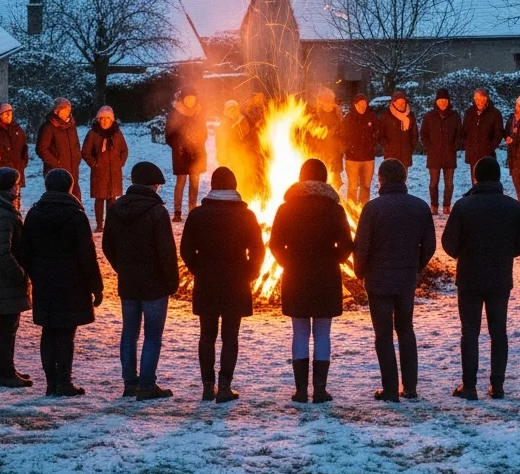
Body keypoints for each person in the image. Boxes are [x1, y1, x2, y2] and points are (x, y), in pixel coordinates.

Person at [442, 156, 520, 400]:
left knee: (470, 333)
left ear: (476, 178)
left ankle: (469, 386)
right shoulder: (513, 207)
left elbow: (448, 243)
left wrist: (463, 253)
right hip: (500, 276)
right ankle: (497, 385)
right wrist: (505, 253)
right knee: (499, 332)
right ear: (498, 178)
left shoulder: (463, 206)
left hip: (469, 276)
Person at [269, 158, 354, 404]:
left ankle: (300, 391)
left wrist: (288, 262)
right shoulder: (334, 209)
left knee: (299, 333)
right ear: (325, 179)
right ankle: (319, 390)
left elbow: (275, 243)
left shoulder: (286, 209)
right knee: (323, 333)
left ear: (301, 177)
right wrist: (334, 259)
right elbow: (346, 244)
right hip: (326, 276)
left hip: (296, 275)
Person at [353, 159, 436, 402]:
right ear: (404, 178)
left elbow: (362, 246)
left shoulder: (372, 209)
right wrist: (415, 267)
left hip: (378, 280)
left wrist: (360, 271)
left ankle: (390, 390)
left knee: (383, 335)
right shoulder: (419, 207)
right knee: (406, 329)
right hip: (405, 279)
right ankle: (410, 387)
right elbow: (429, 245)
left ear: (380, 179)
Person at [180, 166, 265, 403]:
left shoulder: (198, 215)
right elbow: (258, 249)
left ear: (213, 186)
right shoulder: (246, 216)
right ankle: (225, 387)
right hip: (236, 282)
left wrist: (198, 269)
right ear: (234, 186)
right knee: (230, 336)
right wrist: (249, 274)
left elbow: (186, 249)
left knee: (206, 335)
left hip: (206, 282)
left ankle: (208, 386)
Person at [103, 161, 180, 401]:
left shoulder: (115, 209)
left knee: (129, 333)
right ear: (153, 185)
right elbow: (166, 252)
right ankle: (147, 385)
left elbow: (107, 245)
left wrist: (122, 268)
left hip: (128, 282)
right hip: (154, 285)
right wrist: (172, 282)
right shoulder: (157, 212)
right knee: (152, 336)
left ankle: (130, 384)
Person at [23, 168, 103, 396]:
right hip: (72, 282)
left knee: (48, 331)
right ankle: (64, 382)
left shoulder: (34, 214)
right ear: (70, 187)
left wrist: (34, 274)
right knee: (66, 333)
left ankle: (51, 383)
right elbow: (87, 255)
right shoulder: (76, 216)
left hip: (43, 281)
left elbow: (25, 250)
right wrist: (96, 287)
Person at [0, 167, 33, 387]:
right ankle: (5, 373)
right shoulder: (1, 213)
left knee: (9, 326)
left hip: (2, 277)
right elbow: (3, 252)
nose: (17, 189)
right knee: (7, 327)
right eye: (15, 185)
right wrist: (20, 274)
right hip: (4, 278)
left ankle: (8, 369)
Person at [81, 105, 129, 232]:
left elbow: (124, 150)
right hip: (99, 172)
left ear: (111, 120)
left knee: (112, 198)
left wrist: (120, 163)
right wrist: (95, 164)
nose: (104, 121)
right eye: (102, 118)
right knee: (100, 197)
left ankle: (110, 223)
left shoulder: (117, 134)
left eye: (107, 118)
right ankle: (99, 225)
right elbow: (85, 152)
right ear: (98, 119)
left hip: (114, 171)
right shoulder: (93, 134)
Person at [164, 87, 208, 222]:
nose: (191, 101)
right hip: (181, 154)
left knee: (194, 182)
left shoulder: (198, 113)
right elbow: (169, 134)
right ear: (183, 99)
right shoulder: (176, 113)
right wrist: (180, 146)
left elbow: (204, 133)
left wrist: (196, 143)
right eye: (188, 98)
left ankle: (192, 210)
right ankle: (177, 212)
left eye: (193, 98)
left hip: (196, 152)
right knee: (181, 182)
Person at [420, 88, 462, 215]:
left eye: (445, 101)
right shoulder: (429, 116)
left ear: (448, 102)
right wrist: (429, 147)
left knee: (449, 183)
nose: (442, 103)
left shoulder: (454, 116)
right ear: (436, 101)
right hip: (434, 155)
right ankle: (434, 205)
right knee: (433, 183)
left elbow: (459, 134)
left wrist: (454, 147)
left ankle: (446, 205)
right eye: (440, 101)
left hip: (450, 155)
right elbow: (423, 134)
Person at [36, 98, 83, 201]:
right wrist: (56, 163)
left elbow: (76, 144)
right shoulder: (48, 127)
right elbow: (41, 149)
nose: (67, 112)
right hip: (56, 172)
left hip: (73, 170)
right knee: (58, 199)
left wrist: (77, 158)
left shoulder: (71, 125)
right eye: (64, 110)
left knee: (75, 198)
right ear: (57, 111)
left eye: (68, 110)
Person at [215, 100, 257, 203]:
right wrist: (222, 160)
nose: (233, 112)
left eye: (235, 109)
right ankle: (238, 203)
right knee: (237, 182)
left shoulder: (245, 121)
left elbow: (253, 137)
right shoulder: (224, 126)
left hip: (248, 158)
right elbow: (220, 144)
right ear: (226, 112)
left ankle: (248, 201)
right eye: (230, 109)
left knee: (249, 182)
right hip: (233, 159)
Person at [341, 93, 379, 206]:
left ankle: (364, 207)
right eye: (360, 104)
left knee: (366, 186)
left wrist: (372, 144)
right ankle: (352, 210)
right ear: (355, 105)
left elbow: (378, 132)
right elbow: (342, 136)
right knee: (353, 186)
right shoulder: (348, 118)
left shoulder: (372, 117)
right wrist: (349, 148)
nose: (363, 106)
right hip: (352, 159)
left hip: (368, 158)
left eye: (364, 104)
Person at [462, 88, 505, 177]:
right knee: (475, 179)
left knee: (488, 179)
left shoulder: (495, 113)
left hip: (488, 154)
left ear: (486, 98)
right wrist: (467, 145)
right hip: (473, 153)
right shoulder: (469, 112)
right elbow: (464, 131)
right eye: (477, 99)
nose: (479, 101)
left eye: (482, 98)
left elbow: (498, 133)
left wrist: (490, 147)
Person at [309, 87, 344, 190]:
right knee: (321, 181)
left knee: (336, 183)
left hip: (335, 154)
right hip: (321, 154)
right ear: (323, 103)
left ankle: (334, 197)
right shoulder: (316, 116)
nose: (331, 104)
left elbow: (342, 134)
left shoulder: (337, 115)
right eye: (328, 101)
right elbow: (312, 135)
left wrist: (341, 147)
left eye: (332, 101)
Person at [378, 90, 418, 169]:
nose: (401, 105)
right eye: (398, 103)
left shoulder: (410, 116)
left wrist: (410, 148)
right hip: (391, 155)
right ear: (393, 103)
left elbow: (414, 134)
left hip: (405, 154)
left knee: (403, 175)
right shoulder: (386, 116)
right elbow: (380, 135)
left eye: (403, 102)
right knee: (391, 175)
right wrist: (388, 147)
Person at [0, 103, 29, 179]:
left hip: (18, 169)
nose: (9, 115)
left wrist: (23, 162)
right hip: (2, 170)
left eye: (10, 113)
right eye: (6, 113)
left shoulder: (17, 128)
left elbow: (24, 146)